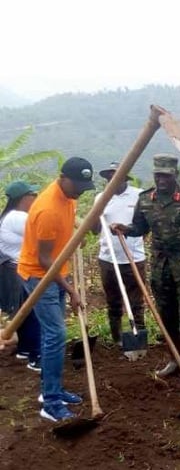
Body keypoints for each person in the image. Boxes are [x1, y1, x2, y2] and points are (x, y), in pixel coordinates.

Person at [111, 154, 180, 393]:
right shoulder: (146, 200)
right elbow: (141, 228)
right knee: (166, 317)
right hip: (162, 269)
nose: (161, 180)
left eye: (166, 175)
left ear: (175, 176)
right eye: (157, 175)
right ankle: (175, 360)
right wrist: (125, 229)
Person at [18, 157, 95, 422]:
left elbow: (69, 223)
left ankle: (52, 390)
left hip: (56, 272)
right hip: (40, 276)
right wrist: (71, 289)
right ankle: (50, 403)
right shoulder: (47, 209)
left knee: (54, 335)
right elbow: (44, 260)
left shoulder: (69, 195)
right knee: (55, 335)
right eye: (79, 185)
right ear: (63, 177)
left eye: (86, 186)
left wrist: (78, 237)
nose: (81, 191)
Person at [93, 162, 146, 347]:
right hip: (108, 258)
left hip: (134, 257)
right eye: (109, 177)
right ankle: (117, 338)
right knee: (113, 301)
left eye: (115, 176)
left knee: (136, 302)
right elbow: (94, 229)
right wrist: (95, 215)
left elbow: (144, 225)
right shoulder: (100, 198)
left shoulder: (139, 195)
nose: (111, 180)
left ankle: (138, 337)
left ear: (124, 177)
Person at [0, 181, 41, 370]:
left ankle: (24, 349)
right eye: (33, 196)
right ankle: (35, 356)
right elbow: (41, 231)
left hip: (12, 270)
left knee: (23, 312)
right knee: (32, 313)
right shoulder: (17, 217)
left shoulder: (9, 216)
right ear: (24, 198)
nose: (35, 200)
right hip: (16, 270)